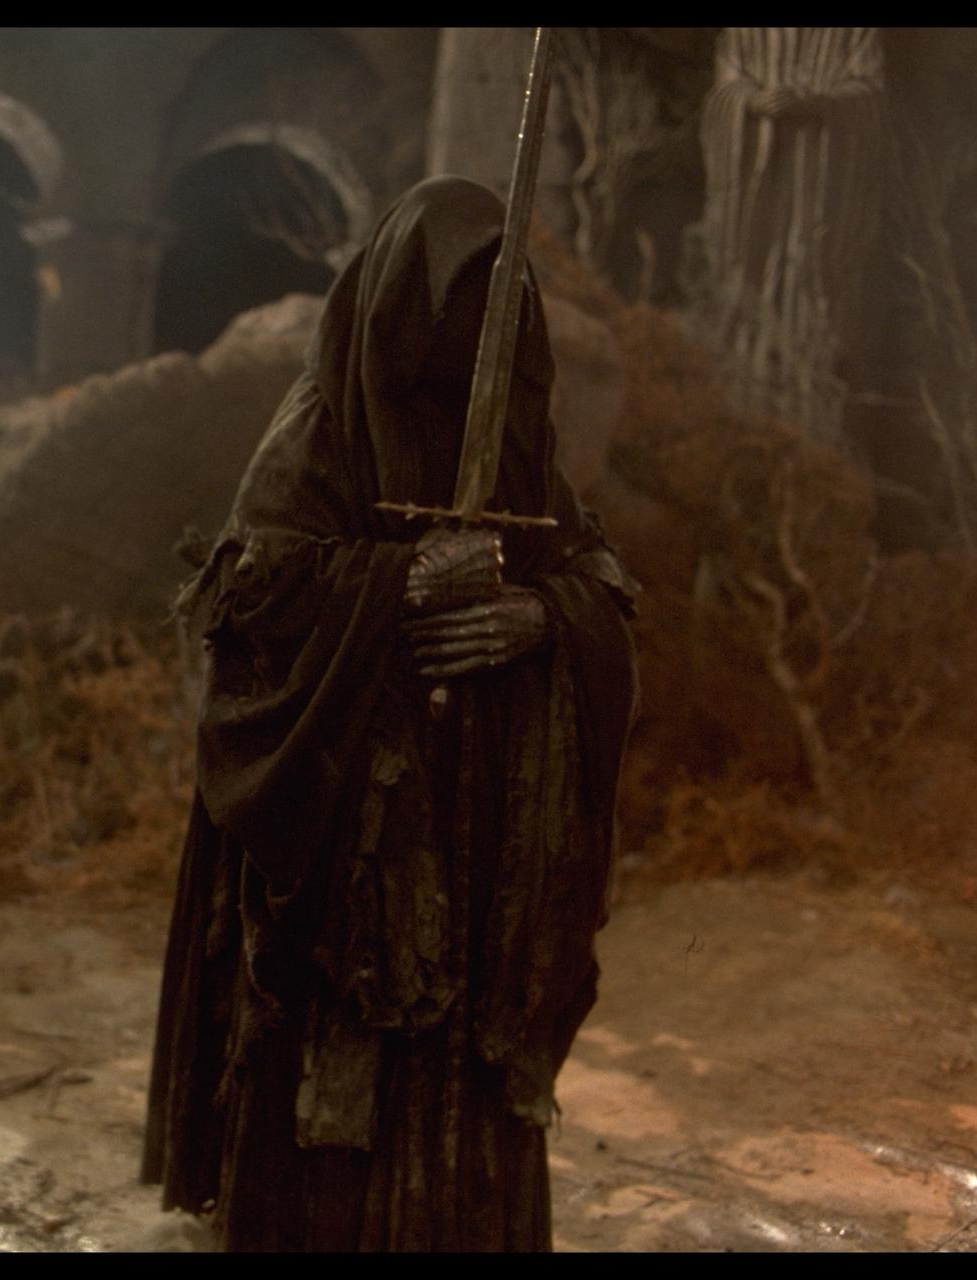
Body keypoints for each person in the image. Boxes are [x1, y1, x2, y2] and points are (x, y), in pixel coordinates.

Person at [140, 176, 639, 1252]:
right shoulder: (325, 429)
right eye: (464, 303)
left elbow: (595, 580)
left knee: (462, 1085)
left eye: (504, 303)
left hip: (478, 848)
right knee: (340, 1082)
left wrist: (540, 617)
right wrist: (399, 583)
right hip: (352, 854)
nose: (484, 337)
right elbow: (254, 594)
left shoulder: (514, 440)